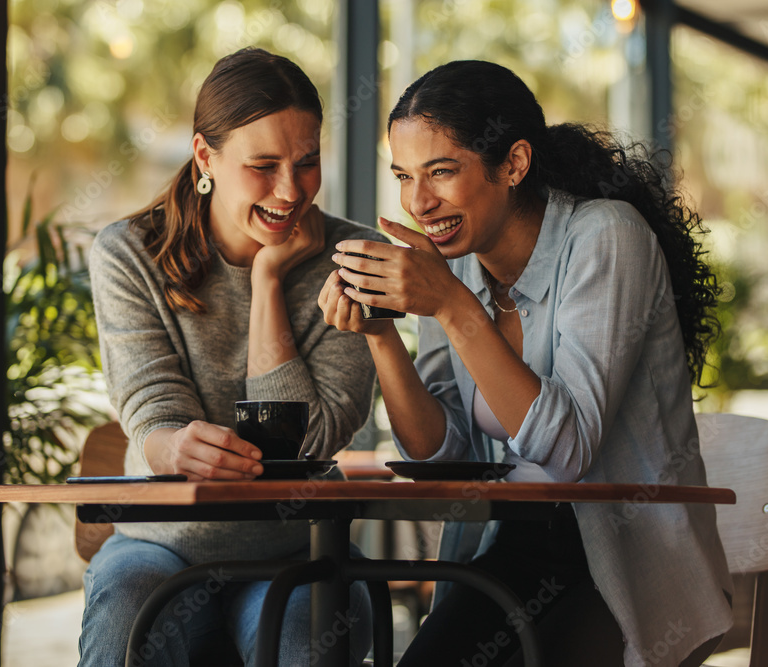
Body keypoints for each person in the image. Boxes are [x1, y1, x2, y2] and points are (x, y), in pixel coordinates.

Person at [319, 60, 733, 667]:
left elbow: (568, 451)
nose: (418, 201)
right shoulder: (456, 264)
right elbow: (442, 452)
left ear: (513, 164)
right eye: (403, 176)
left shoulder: (606, 237)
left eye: (441, 171)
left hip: (623, 562)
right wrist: (382, 337)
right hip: (512, 549)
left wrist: (454, 307)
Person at [82, 47, 381, 667]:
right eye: (263, 165)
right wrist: (169, 446)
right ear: (204, 158)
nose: (290, 190)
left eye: (307, 162)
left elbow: (304, 443)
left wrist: (268, 281)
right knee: (124, 607)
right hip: (158, 542)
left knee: (311, 633)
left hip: (297, 549)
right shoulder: (128, 253)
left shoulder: (357, 257)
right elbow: (150, 407)